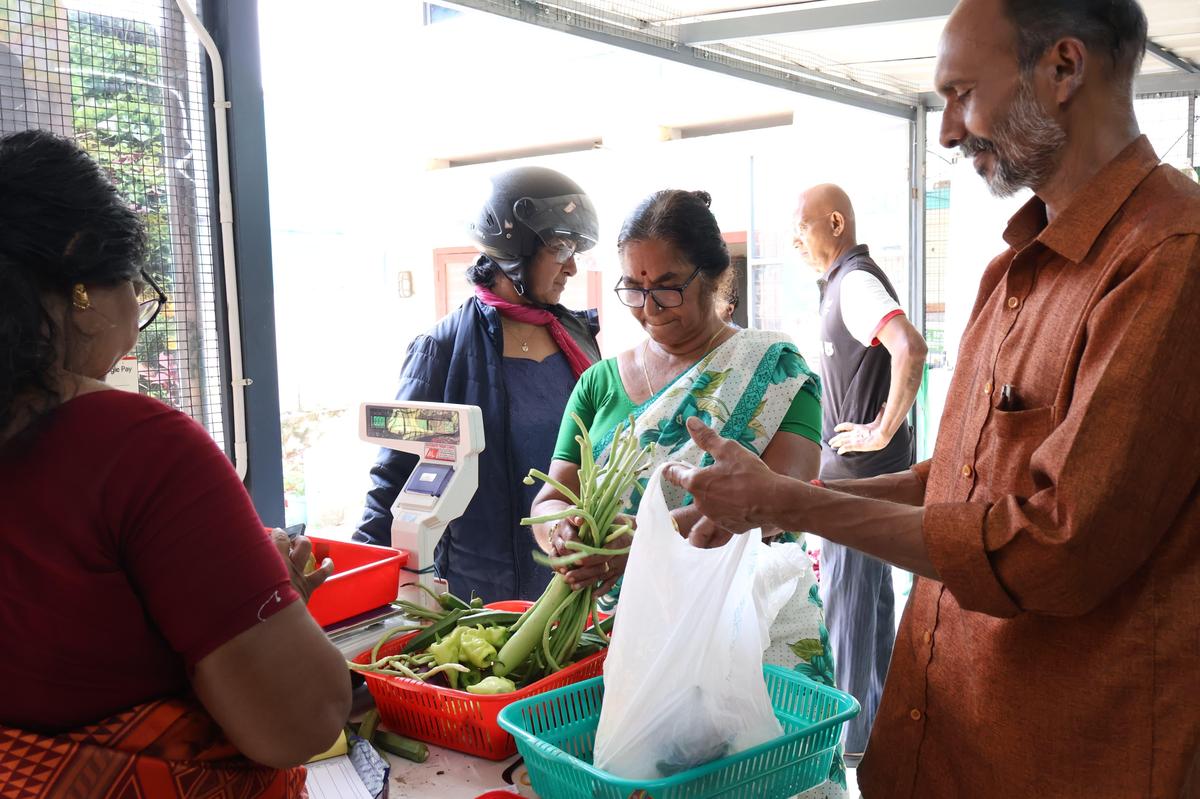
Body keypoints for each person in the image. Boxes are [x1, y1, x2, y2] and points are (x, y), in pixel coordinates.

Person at [666, 0, 1200, 795]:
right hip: (940, 736)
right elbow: (956, 480)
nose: (948, 130)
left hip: (1065, 758)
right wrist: (779, 501)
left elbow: (1055, 545)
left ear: (1063, 68)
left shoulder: (1170, 259)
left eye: (960, 92)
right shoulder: (1014, 267)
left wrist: (801, 505)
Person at [0, 130, 350, 797]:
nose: (136, 317)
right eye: (138, 287)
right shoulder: (138, 445)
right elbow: (301, 718)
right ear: (82, 279)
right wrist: (277, 600)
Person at [530, 188, 848, 796]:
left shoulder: (775, 370)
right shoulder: (598, 383)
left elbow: (780, 502)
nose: (650, 306)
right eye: (633, 287)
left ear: (713, 277)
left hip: (749, 634)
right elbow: (552, 496)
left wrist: (640, 547)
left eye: (668, 285)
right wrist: (561, 533)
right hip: (631, 641)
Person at [356, 166, 601, 603]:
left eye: (575, 249)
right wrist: (362, 583)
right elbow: (394, 474)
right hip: (475, 600)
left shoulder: (578, 340)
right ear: (514, 250)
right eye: (560, 247)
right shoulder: (441, 349)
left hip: (568, 588)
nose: (572, 267)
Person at [791, 183, 928, 760]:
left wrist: (881, 429)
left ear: (837, 224)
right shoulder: (842, 284)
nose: (795, 239)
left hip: (860, 487)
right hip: (867, 485)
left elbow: (910, 348)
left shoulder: (855, 283)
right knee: (869, 616)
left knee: (849, 619)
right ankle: (874, 744)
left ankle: (846, 758)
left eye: (803, 226)